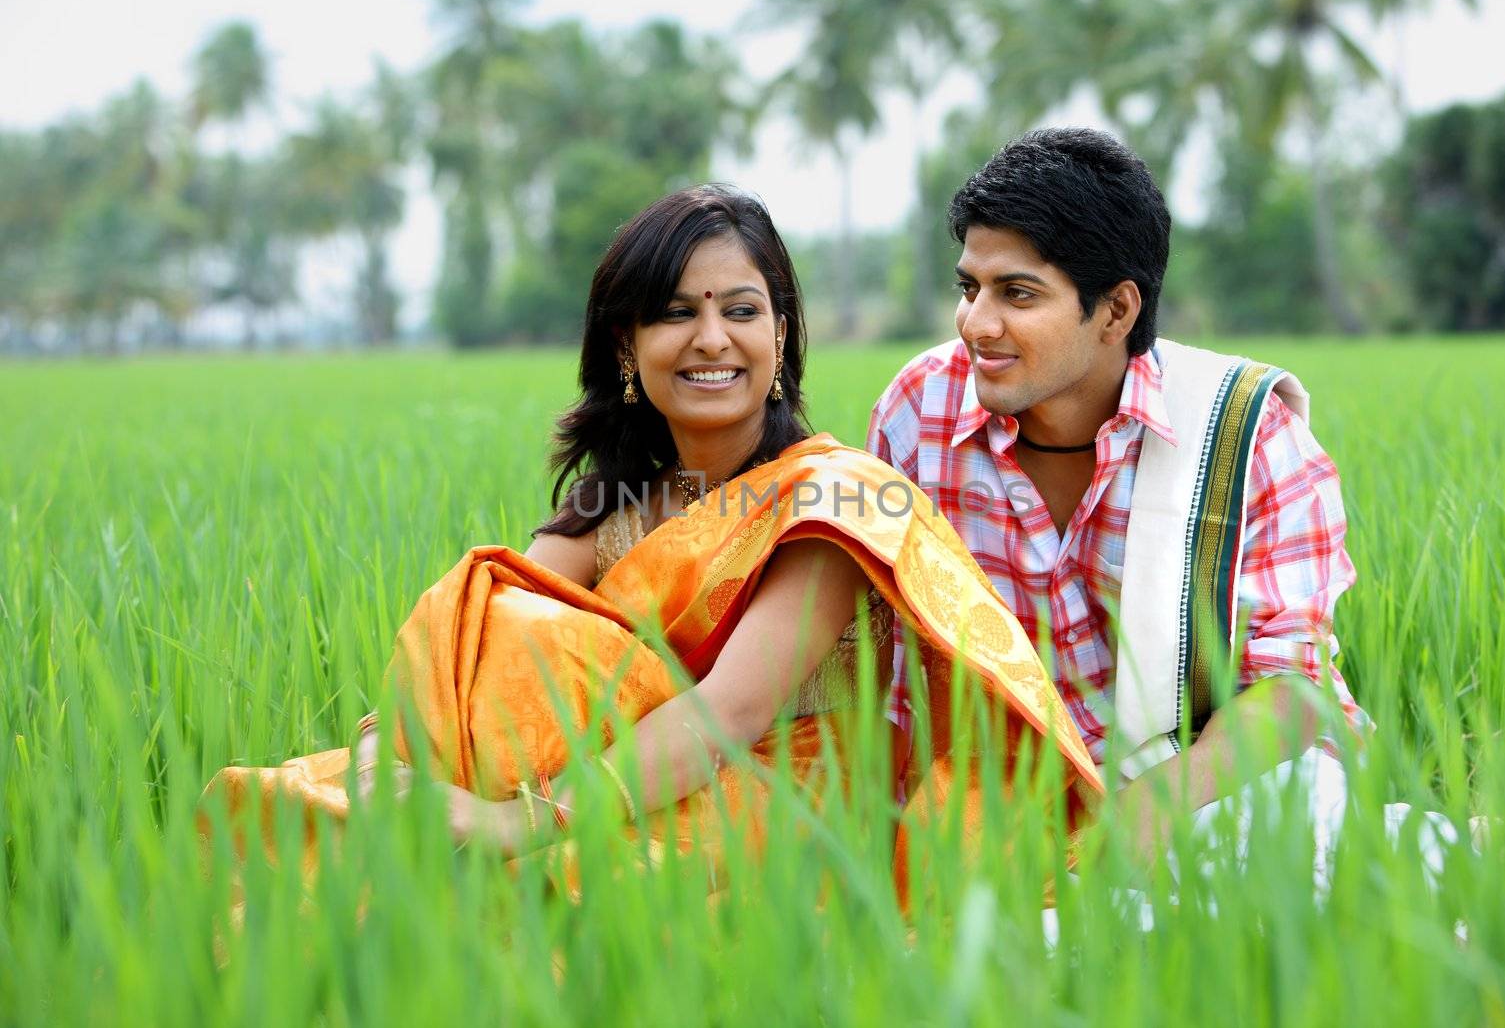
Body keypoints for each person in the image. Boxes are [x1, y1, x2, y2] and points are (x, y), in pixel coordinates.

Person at [200, 184, 1102, 895]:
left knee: (511, 891)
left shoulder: (830, 502)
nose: (712, 338)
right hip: (626, 791)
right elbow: (479, 651)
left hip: (782, 812)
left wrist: (520, 822)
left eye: (742, 310)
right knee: (493, 620)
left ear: (781, 337)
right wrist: (380, 754)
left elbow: (730, 713)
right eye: (676, 311)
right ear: (628, 345)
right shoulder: (614, 504)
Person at [867, 128, 1369, 872]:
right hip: (1002, 808)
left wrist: (1137, 820)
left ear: (1116, 311)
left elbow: (1290, 690)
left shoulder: (1244, 431)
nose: (976, 323)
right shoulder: (918, 411)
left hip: (1211, 789)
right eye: (969, 288)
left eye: (1018, 293)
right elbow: (889, 663)